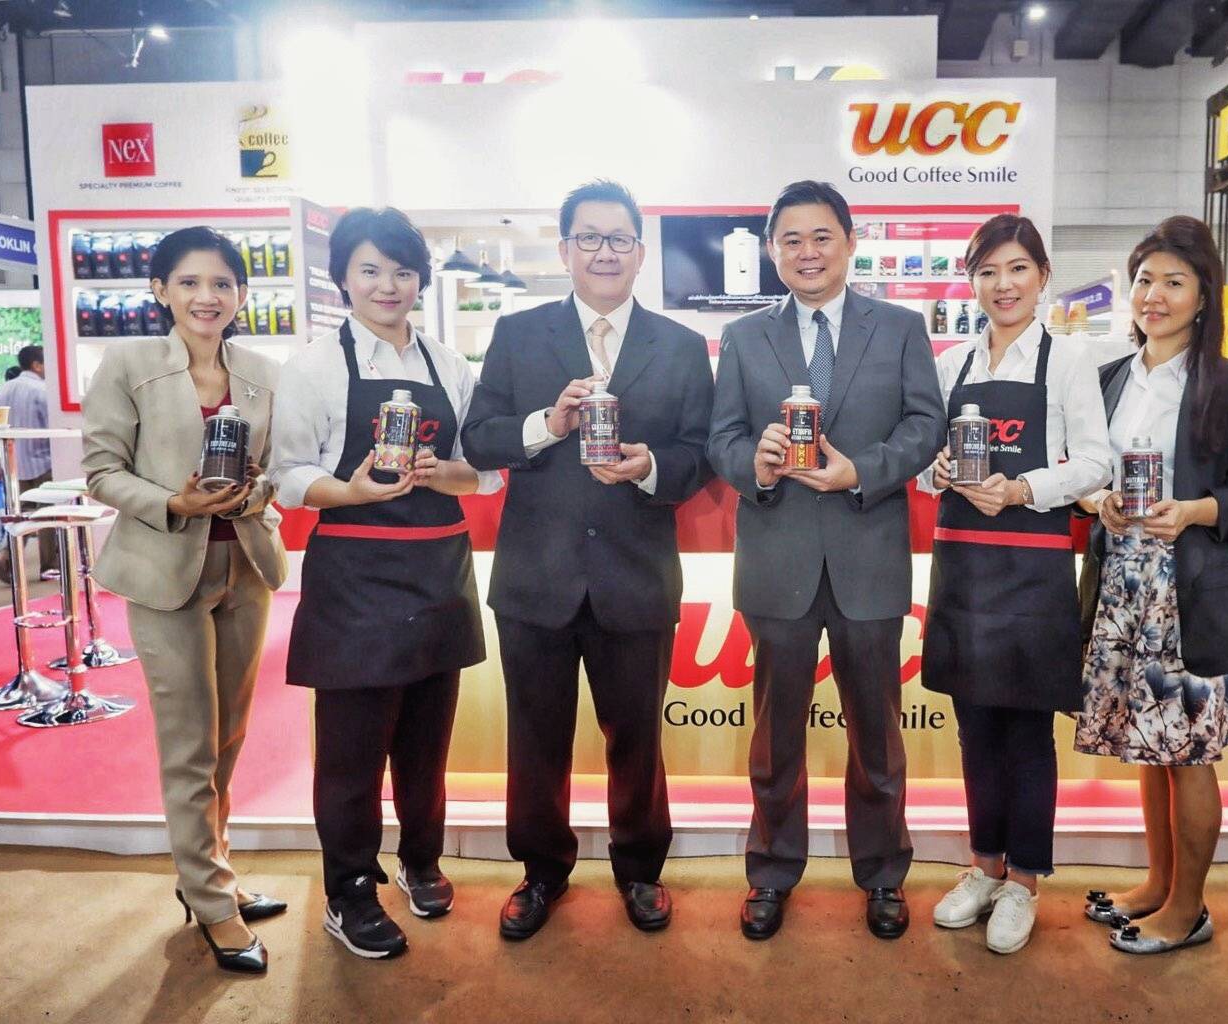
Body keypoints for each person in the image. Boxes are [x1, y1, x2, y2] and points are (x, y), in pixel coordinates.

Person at [460, 180, 714, 940]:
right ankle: (541, 871)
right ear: (565, 248)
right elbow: (481, 439)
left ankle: (640, 869)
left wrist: (650, 467)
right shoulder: (518, 333)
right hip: (537, 575)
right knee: (535, 737)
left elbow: (700, 453)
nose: (606, 252)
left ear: (641, 252)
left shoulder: (679, 345)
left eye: (620, 239)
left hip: (636, 574)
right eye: (590, 238)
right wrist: (548, 423)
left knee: (636, 737)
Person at [708, 180, 943, 941]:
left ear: (849, 242)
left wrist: (861, 471)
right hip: (776, 560)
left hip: (868, 555)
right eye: (791, 240)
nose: (807, 253)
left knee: (876, 730)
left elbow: (927, 425)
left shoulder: (900, 327)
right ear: (771, 250)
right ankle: (772, 871)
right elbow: (720, 437)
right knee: (776, 733)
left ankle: (883, 873)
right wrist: (755, 463)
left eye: (821, 237)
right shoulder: (745, 337)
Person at [272, 207, 501, 959]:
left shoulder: (449, 364)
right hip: (356, 578)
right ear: (342, 277)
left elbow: (485, 473)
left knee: (426, 744)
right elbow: (288, 475)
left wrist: (444, 473)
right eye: (369, 270)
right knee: (351, 754)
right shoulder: (314, 368)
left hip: (438, 573)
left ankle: (421, 860)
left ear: (420, 280)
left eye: (402, 271)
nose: (388, 285)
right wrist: (352, 490)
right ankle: (349, 892)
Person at [81, 227, 288, 973]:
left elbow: (277, 471)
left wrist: (253, 489)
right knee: (190, 741)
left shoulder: (262, 372)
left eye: (223, 283)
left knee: (229, 735)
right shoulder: (130, 364)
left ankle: (210, 875)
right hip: (165, 569)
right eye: (191, 282)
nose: (208, 297)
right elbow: (101, 471)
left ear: (242, 294)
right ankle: (211, 902)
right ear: (161, 290)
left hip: (246, 566)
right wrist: (175, 500)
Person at [1073, 215, 1228, 955]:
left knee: (1188, 752)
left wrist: (1192, 511)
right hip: (1120, 581)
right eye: (1144, 280)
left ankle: (1187, 909)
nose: (1153, 295)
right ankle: (1158, 884)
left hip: (1190, 586)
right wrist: (1099, 500)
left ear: (1203, 295)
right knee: (1149, 745)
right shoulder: (1108, 378)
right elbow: (1084, 472)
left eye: (1173, 282)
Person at [919, 215, 1111, 954]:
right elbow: (920, 462)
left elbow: (1095, 462)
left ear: (1042, 276)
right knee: (974, 726)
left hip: (1032, 566)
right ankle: (984, 866)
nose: (1003, 285)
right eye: (989, 271)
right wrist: (935, 469)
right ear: (972, 281)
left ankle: (1024, 881)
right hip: (963, 563)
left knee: (1027, 730)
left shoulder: (1068, 359)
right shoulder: (951, 364)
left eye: (1018, 269)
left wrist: (1024, 488)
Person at [0, 344, 57, 581]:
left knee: (21, 516)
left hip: (14, 464)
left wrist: (1, 463)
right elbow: (53, 427)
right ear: (37, 365)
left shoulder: (3, 389)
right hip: (44, 462)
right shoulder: (42, 390)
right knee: (48, 515)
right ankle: (49, 566)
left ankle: (5, 554)